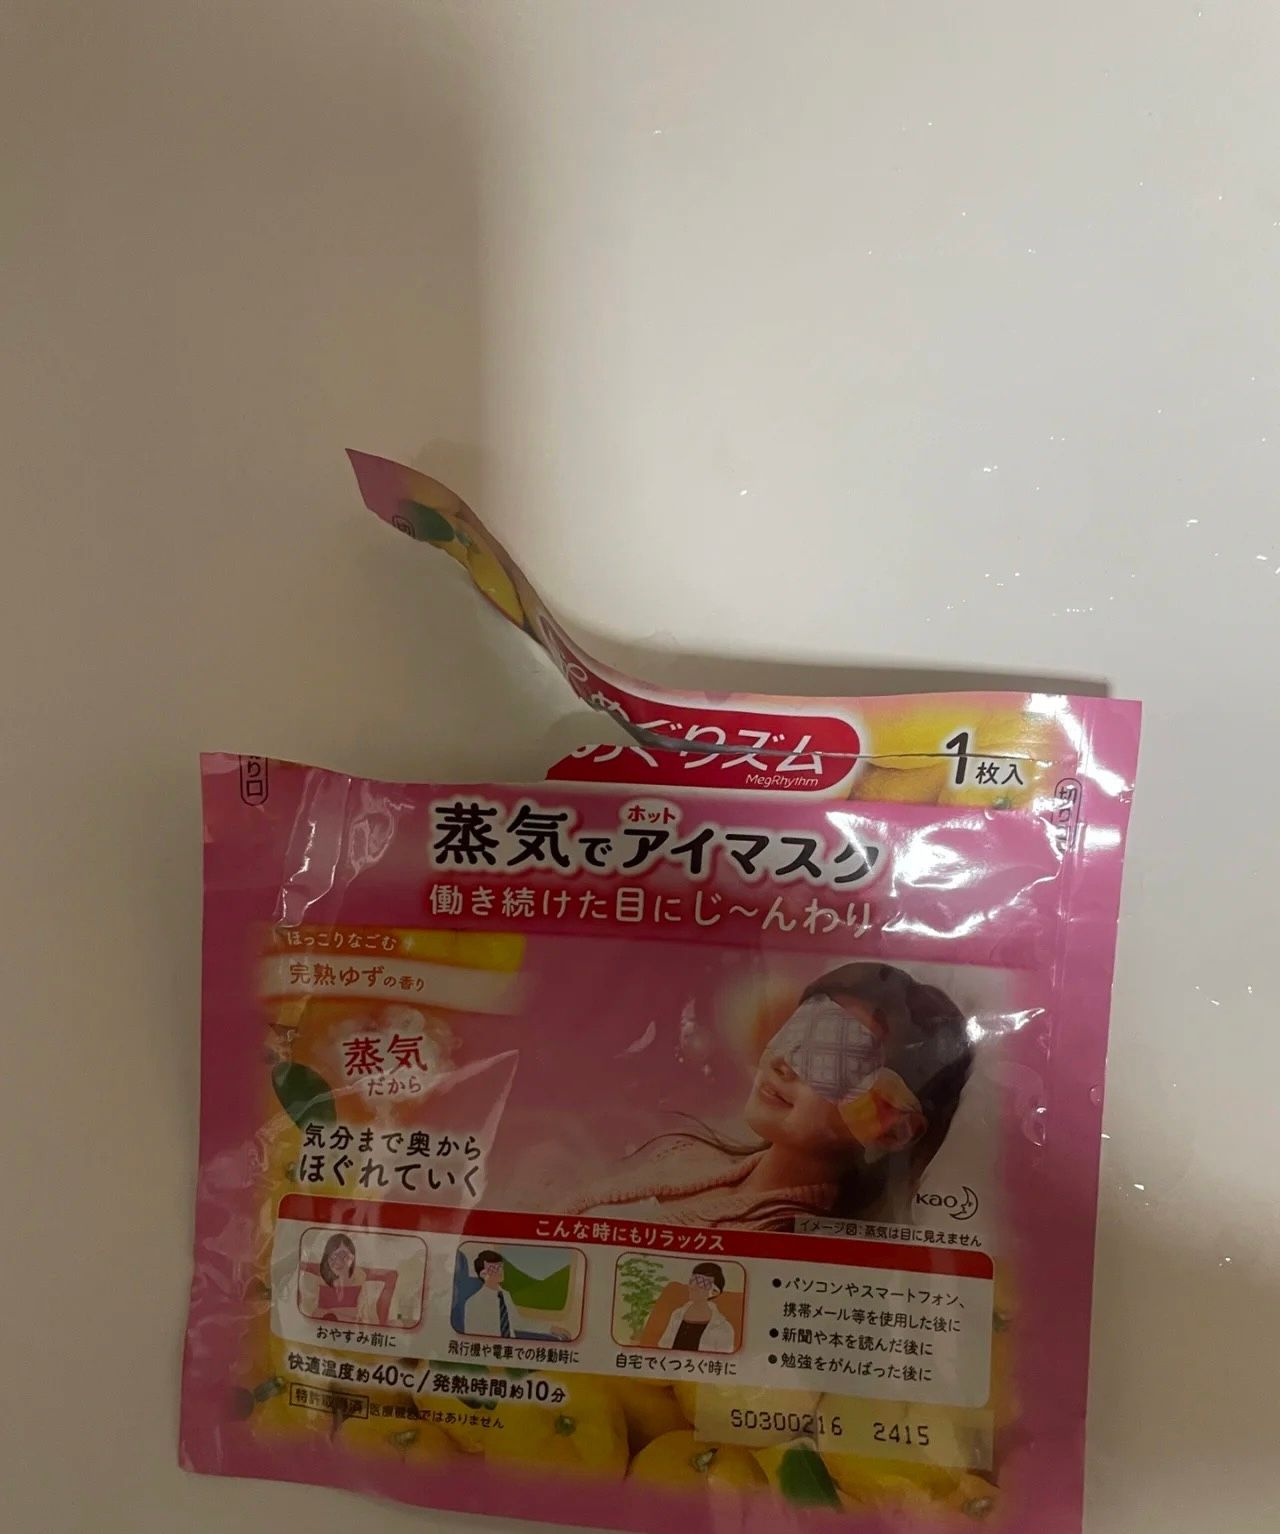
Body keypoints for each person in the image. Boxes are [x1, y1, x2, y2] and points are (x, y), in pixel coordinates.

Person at [567, 962, 971, 1231]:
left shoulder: (791, 1254)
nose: (784, 1063)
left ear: (892, 1128)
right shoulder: (686, 1154)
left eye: (833, 1056)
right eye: (799, 1029)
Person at [462, 1250, 570, 1341]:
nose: (501, 1271)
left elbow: (518, 1322)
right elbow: (472, 1339)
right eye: (495, 1268)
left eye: (501, 1266)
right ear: (483, 1274)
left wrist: (551, 1328)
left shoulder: (505, 1295)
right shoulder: (473, 1303)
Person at [301, 1233, 399, 1324]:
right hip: (323, 1325)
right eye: (333, 1256)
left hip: (350, 1327)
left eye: (343, 1255)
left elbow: (391, 1275)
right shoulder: (321, 1270)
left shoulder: (359, 1274)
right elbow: (298, 1265)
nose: (338, 1261)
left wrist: (382, 1320)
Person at [656, 1263, 736, 1353]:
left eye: (702, 1283)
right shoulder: (677, 1315)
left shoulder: (724, 1328)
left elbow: (725, 1359)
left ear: (714, 1292)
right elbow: (663, 1347)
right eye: (692, 1281)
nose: (693, 1287)